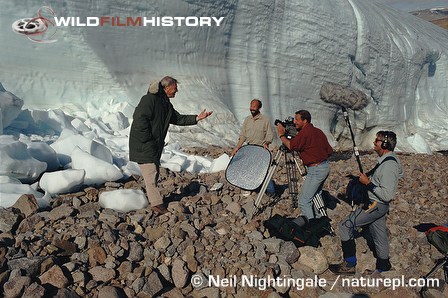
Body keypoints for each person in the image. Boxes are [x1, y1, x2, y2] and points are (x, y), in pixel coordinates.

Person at [129, 76, 212, 214]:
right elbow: (139, 120)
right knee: (151, 173)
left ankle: (152, 200)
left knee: (153, 173)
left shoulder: (165, 103)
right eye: (174, 88)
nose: (176, 91)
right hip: (145, 145)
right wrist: (148, 140)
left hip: (153, 145)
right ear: (166, 88)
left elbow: (178, 118)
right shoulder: (149, 100)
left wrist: (197, 118)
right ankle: (157, 204)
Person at [329, 131, 403, 275]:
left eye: (377, 140)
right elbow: (398, 174)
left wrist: (368, 184)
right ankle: (383, 267)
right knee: (379, 234)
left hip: (375, 205)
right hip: (379, 206)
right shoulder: (388, 160)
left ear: (385, 144)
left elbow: (387, 195)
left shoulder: (389, 166)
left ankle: (349, 264)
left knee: (345, 226)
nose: (374, 142)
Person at [276, 110, 333, 223]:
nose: (295, 122)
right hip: (324, 166)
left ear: (305, 120)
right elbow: (329, 151)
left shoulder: (305, 133)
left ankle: (311, 227)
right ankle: (320, 221)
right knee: (316, 195)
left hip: (315, 169)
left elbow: (291, 145)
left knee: (304, 201)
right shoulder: (318, 131)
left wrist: (281, 134)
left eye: (297, 119)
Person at [231, 99, 275, 194]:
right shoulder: (247, 119)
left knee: (263, 170)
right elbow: (243, 135)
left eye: (254, 106)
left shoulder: (265, 119)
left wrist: (267, 143)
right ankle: (249, 187)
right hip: (249, 149)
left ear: (259, 108)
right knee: (248, 168)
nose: (252, 108)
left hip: (261, 149)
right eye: (251, 106)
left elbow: (270, 134)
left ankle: (271, 191)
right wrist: (237, 147)